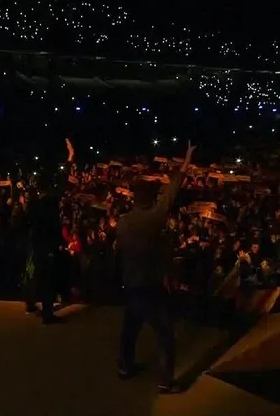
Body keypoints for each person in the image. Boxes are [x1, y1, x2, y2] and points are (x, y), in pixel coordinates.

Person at [116, 140, 196, 394]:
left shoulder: (122, 221)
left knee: (130, 330)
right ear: (151, 199)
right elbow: (171, 193)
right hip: (151, 285)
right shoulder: (153, 218)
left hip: (131, 283)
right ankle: (165, 381)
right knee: (164, 336)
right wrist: (185, 163)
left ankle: (125, 367)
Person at [23, 138, 75, 324]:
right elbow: (62, 182)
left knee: (32, 271)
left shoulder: (33, 203)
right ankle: (47, 313)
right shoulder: (50, 201)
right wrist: (70, 158)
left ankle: (29, 303)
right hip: (47, 244)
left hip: (34, 241)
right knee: (46, 277)